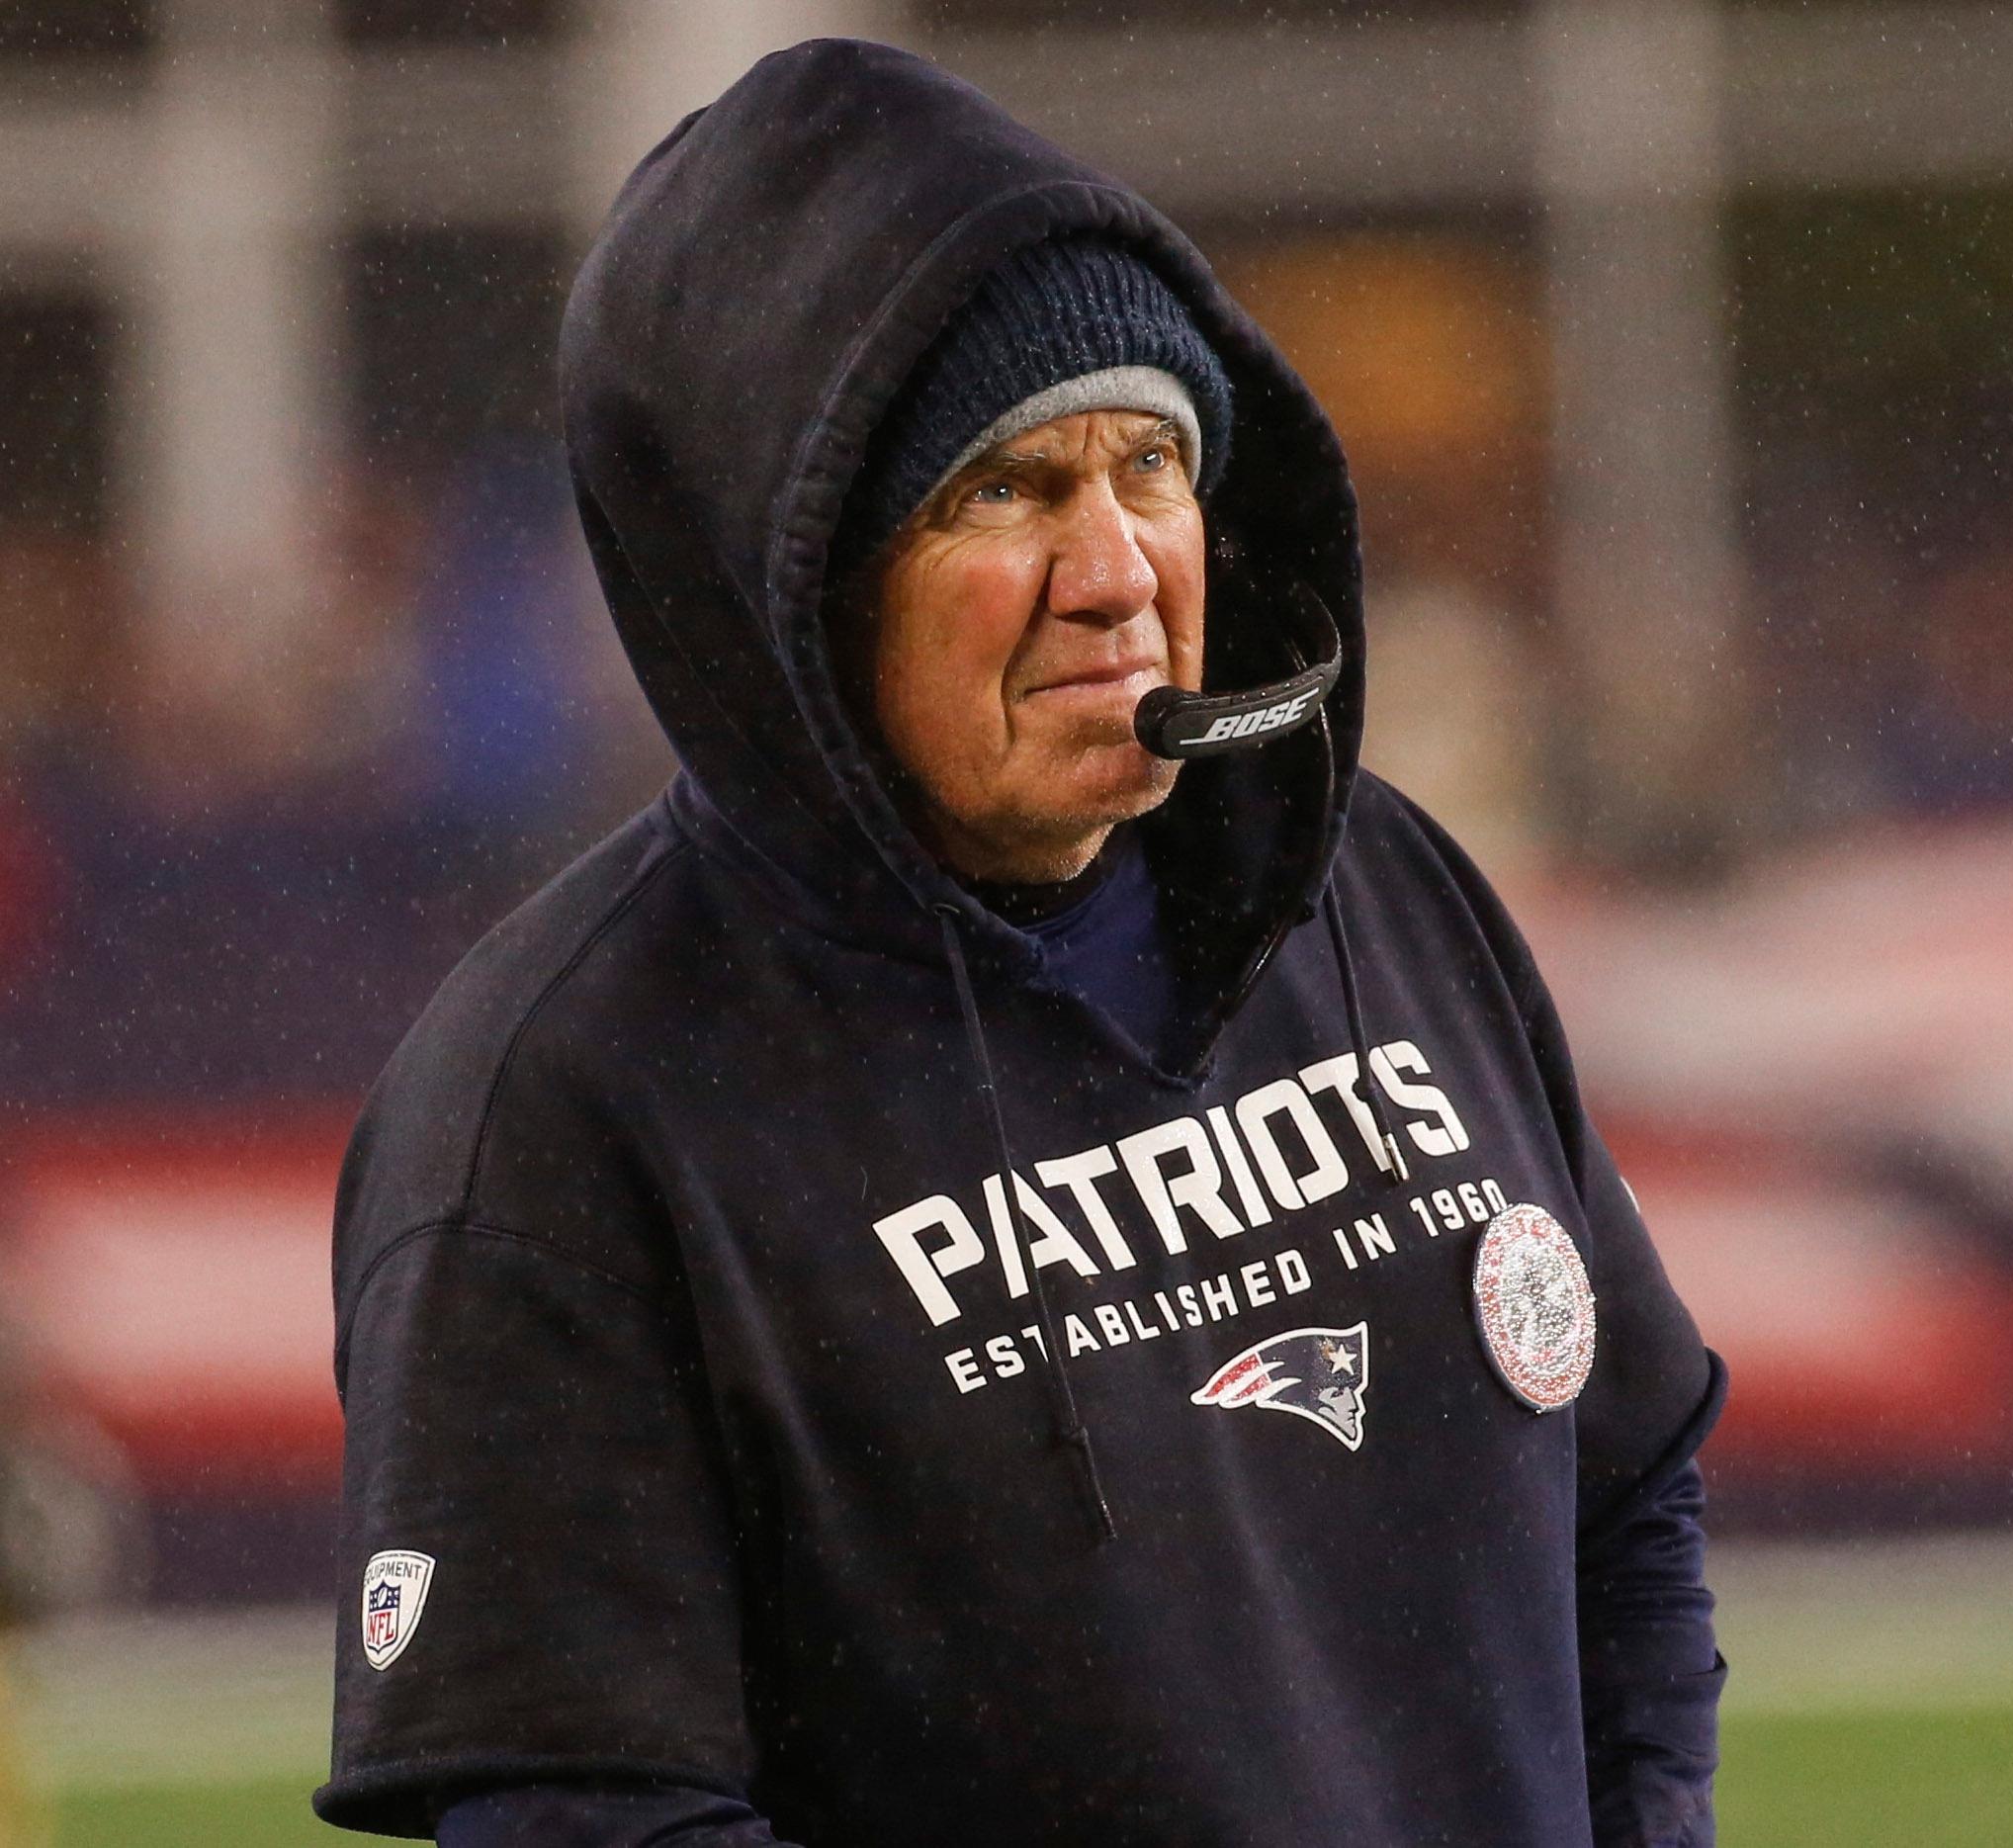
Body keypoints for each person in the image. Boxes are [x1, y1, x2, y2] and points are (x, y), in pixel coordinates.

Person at [316, 40, 1726, 1848]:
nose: (1118, 567)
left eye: (1152, 462)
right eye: (1002, 490)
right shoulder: (564, 1107)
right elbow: (587, 1809)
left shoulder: (1378, 884)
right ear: (792, 580)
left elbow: (1626, 1497)